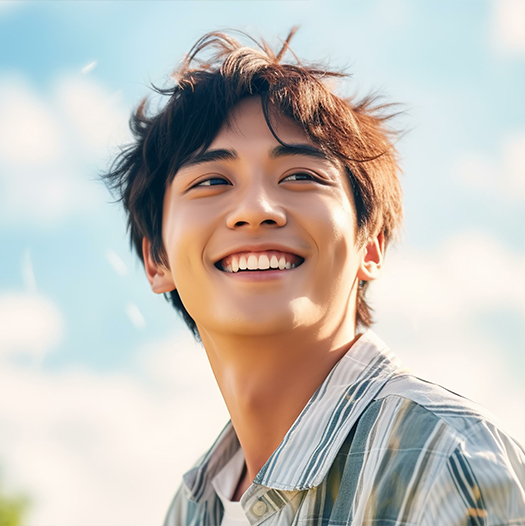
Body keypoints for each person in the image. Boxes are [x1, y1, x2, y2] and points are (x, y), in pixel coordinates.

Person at [102, 29, 525, 526]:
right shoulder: (193, 508)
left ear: (371, 246)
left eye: (302, 176)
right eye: (212, 181)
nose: (256, 210)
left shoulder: (444, 462)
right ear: (158, 261)